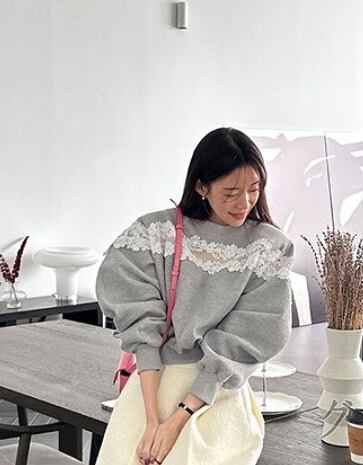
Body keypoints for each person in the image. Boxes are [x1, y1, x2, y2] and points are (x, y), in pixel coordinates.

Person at [94, 127, 294, 465]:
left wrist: (176, 421)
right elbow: (142, 327)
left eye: (254, 189)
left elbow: (249, 336)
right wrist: (152, 419)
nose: (244, 203)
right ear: (201, 186)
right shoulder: (154, 234)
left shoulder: (268, 246)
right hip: (152, 384)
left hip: (217, 393)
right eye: (230, 192)